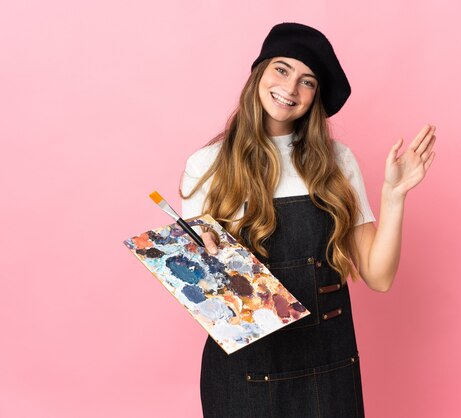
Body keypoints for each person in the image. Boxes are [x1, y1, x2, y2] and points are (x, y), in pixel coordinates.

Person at [180, 22, 436, 418]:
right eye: (281, 69)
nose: (290, 88)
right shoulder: (206, 166)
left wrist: (394, 196)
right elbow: (208, 296)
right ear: (259, 73)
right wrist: (202, 265)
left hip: (329, 367)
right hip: (246, 372)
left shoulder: (337, 162)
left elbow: (379, 277)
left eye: (308, 81)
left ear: (316, 96)